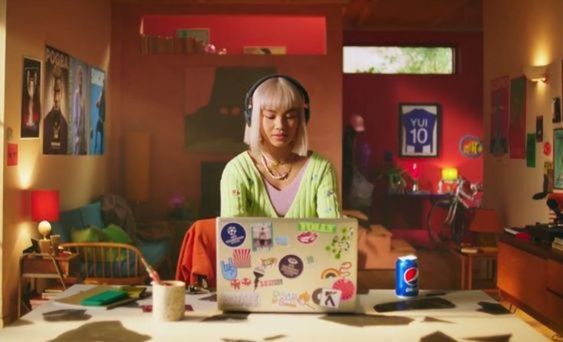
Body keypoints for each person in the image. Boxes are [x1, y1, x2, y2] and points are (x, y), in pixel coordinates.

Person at [220, 75, 341, 218]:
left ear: (301, 119)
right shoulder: (237, 171)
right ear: (253, 118)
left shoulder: (322, 170)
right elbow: (233, 237)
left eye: (290, 117)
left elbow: (334, 235)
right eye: (270, 116)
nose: (280, 126)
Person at [43, 72, 68, 154]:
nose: (56, 96)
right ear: (51, 92)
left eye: (58, 91)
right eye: (54, 90)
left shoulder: (65, 124)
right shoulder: (45, 122)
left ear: (61, 93)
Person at [71, 66, 86, 154]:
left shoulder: (82, 95)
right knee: (76, 150)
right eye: (79, 76)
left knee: (81, 151)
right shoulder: (76, 94)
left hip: (82, 129)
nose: (81, 78)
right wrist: (76, 131)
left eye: (82, 76)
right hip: (77, 129)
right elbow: (75, 114)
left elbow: (83, 115)